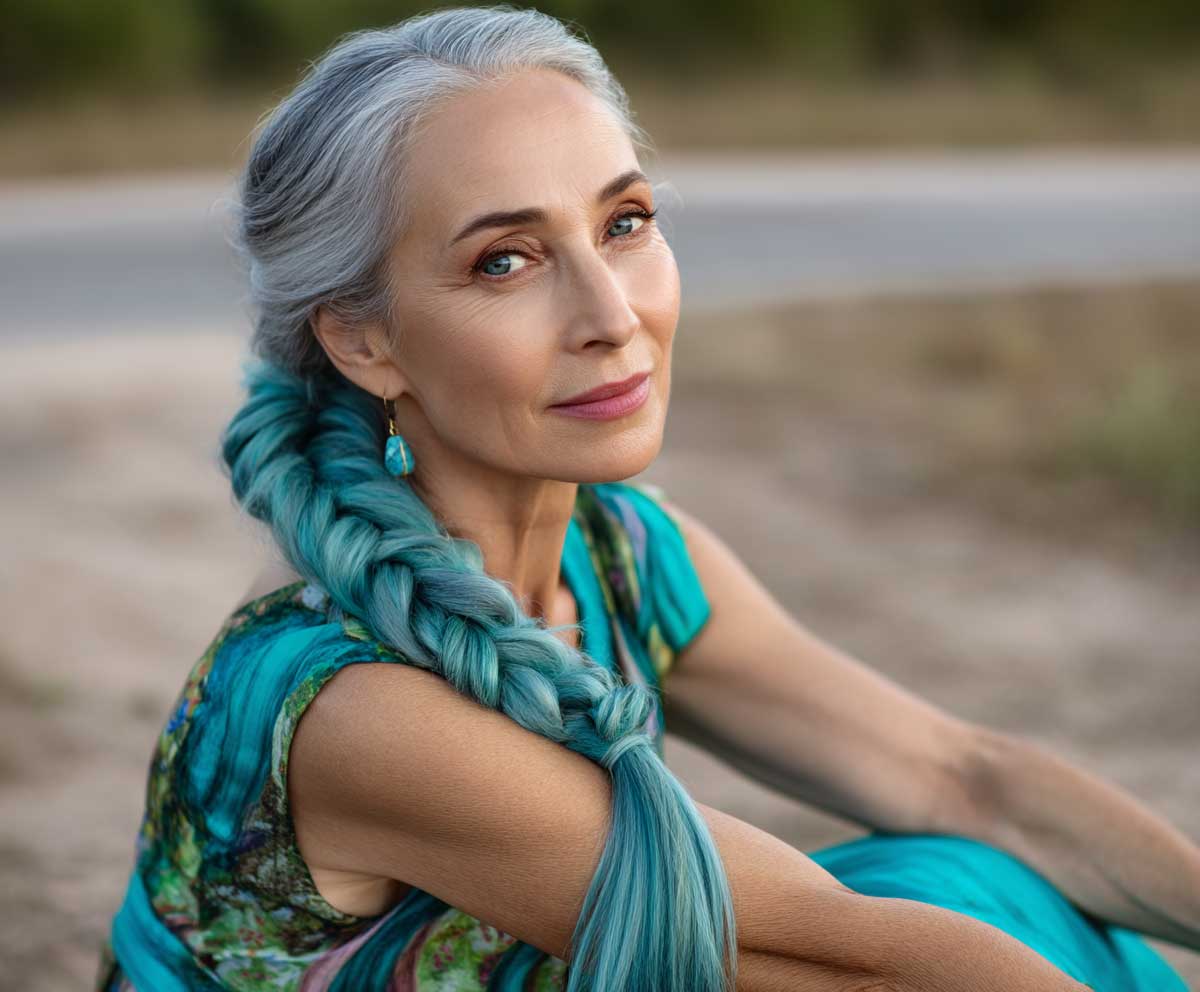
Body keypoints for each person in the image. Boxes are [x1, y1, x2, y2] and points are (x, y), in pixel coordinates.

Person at [95, 6, 1195, 991]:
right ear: (363, 338)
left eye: (623, 223)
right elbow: (842, 955)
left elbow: (965, 776)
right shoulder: (352, 707)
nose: (611, 312)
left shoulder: (622, 551)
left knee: (963, 871)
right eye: (504, 262)